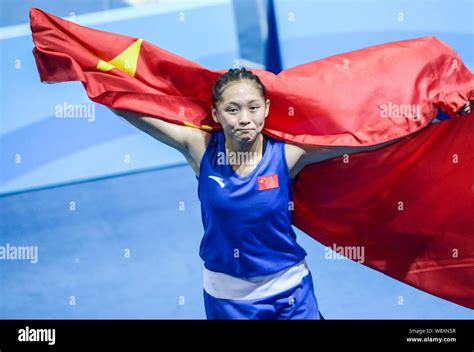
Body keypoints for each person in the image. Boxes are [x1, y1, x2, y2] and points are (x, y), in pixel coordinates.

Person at [109, 68, 471, 320]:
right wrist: (87, 67)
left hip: (291, 291)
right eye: (232, 110)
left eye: (253, 107)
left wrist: (433, 118)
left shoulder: (289, 156)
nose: (244, 118)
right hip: (228, 299)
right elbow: (131, 109)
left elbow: (364, 141)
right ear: (216, 113)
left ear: (266, 109)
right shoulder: (199, 149)